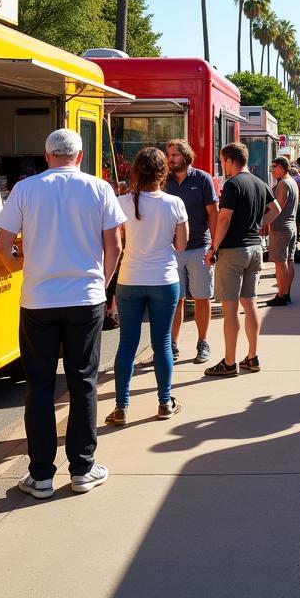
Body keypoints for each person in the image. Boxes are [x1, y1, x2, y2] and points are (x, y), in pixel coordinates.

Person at [0, 128, 124, 499]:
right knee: (83, 382)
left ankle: (40, 475)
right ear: (80, 156)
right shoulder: (99, 189)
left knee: (39, 385)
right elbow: (114, 244)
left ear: (48, 155)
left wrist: (21, 266)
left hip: (38, 299)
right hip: (85, 297)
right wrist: (102, 281)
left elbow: (3, 245)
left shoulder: (25, 189)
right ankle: (82, 468)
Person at [105, 148, 188, 427]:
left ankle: (120, 407)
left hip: (129, 278)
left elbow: (114, 243)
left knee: (126, 345)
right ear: (164, 171)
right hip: (164, 279)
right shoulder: (174, 203)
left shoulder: (122, 202)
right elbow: (181, 245)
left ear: (135, 171)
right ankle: (165, 402)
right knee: (162, 342)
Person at [204, 143, 280, 377]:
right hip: (254, 248)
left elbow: (224, 218)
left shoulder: (232, 184)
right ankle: (252, 355)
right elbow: (275, 209)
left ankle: (229, 362)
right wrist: (258, 224)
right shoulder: (260, 183)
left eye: (222, 161)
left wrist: (213, 247)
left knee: (230, 308)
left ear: (229, 160)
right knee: (250, 302)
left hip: (233, 251)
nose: (222, 165)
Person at [164, 139, 219, 364]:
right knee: (175, 299)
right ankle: (172, 344)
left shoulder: (202, 179)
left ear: (186, 156)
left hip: (199, 247)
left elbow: (213, 213)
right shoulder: (163, 180)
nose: (170, 159)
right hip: (171, 249)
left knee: (201, 297)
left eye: (174, 155)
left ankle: (202, 342)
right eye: (168, 155)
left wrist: (214, 246)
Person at [266, 157, 299, 306]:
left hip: (280, 228)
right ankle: (286, 293)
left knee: (280, 262)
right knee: (289, 260)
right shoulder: (293, 182)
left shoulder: (283, 184)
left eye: (274, 166)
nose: (272, 170)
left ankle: (281, 295)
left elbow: (277, 207)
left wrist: (263, 222)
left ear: (281, 167)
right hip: (291, 226)